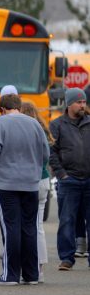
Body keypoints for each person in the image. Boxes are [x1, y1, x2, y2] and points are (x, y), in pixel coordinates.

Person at [0, 94, 49, 284]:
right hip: (31, 182)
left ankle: (10, 274)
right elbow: (45, 153)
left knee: (10, 227)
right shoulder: (34, 123)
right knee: (30, 227)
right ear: (19, 107)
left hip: (7, 183)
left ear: (2, 109)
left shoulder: (0, 123)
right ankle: (32, 274)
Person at [49, 88, 90, 271]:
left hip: (88, 180)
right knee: (66, 220)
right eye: (79, 102)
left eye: (84, 102)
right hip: (69, 180)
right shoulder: (57, 125)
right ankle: (66, 258)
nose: (83, 105)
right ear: (69, 104)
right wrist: (62, 174)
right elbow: (51, 152)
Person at [20, 102, 52, 281]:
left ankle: (27, 265)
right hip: (43, 178)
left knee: (25, 226)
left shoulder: (23, 132)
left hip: (28, 180)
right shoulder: (42, 129)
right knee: (38, 226)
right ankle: (39, 267)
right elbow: (46, 155)